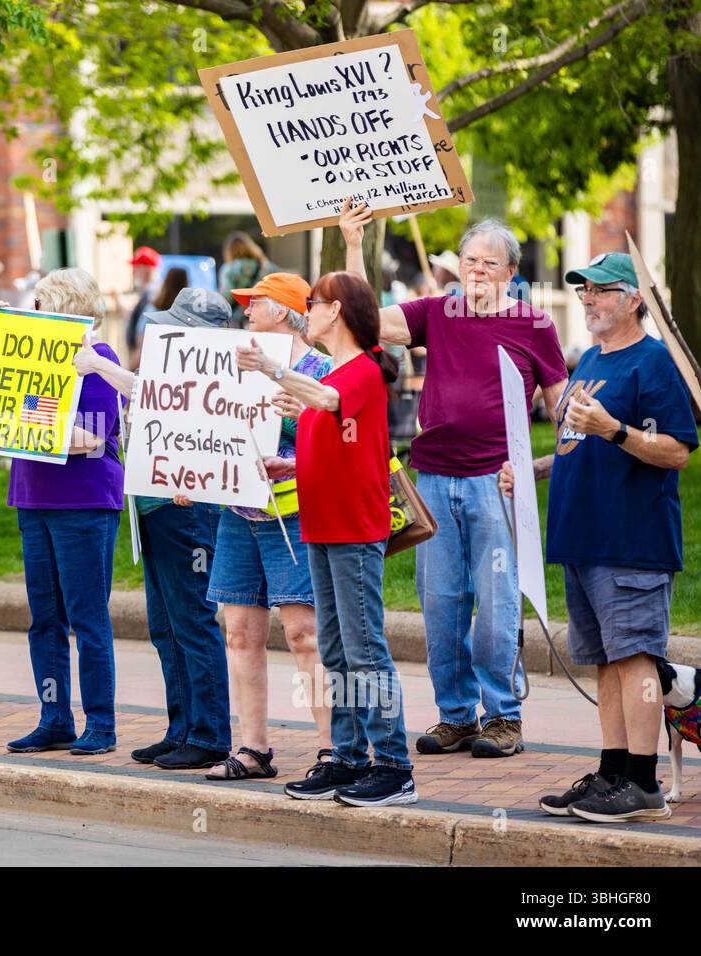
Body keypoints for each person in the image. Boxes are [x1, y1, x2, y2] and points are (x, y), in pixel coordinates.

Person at [341, 199, 568, 759]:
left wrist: (543, 463)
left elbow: (563, 411)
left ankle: (503, 717)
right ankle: (456, 716)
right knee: (441, 604)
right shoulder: (436, 312)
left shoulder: (535, 326)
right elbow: (368, 322)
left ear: (511, 273)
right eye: (470, 261)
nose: (477, 271)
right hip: (435, 480)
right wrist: (352, 243)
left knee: (495, 608)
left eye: (490, 263)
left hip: (496, 482)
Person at [503, 253, 696, 823]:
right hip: (583, 537)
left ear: (634, 298)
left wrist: (613, 428)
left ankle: (642, 783)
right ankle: (613, 773)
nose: (589, 299)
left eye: (602, 290)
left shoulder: (653, 363)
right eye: (583, 290)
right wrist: (531, 468)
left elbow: (676, 451)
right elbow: (576, 444)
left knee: (636, 657)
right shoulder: (590, 360)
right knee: (608, 663)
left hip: (630, 539)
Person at [238, 271, 416, 807]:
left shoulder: (359, 370)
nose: (306, 310)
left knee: (365, 650)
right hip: (321, 525)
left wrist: (272, 368)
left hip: (353, 530)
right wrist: (286, 464)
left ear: (335, 311)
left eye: (312, 303)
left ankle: (393, 765)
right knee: (337, 650)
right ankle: (346, 756)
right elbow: (331, 444)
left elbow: (329, 399)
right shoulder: (332, 378)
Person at [73, 287, 232, 770]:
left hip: (187, 507)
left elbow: (149, 396)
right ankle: (181, 726)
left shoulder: (208, 379)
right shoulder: (166, 372)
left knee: (192, 621)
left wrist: (100, 366)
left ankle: (209, 733)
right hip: (156, 507)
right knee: (165, 626)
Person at [206, 272, 332, 781]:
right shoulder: (234, 366)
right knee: (238, 631)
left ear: (281, 311)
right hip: (239, 514)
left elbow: (342, 437)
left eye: (254, 303)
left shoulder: (320, 368)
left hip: (298, 514)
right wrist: (187, 465)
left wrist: (299, 419)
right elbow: (206, 424)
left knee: (305, 634)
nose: (246, 312)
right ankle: (252, 748)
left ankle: (331, 746)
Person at [4, 268, 125, 757]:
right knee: (44, 618)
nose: (35, 313)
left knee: (87, 616)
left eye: (42, 304)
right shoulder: (27, 362)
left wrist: (13, 426)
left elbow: (92, 438)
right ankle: (54, 717)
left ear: (67, 308)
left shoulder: (98, 360)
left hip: (83, 502)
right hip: (34, 497)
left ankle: (101, 723)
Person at [129, 265, 186, 370]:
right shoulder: (188, 315)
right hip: (180, 365)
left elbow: (141, 340)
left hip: (154, 364)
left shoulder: (153, 310)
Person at [218, 231, 274, 326]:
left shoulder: (229, 269)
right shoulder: (267, 267)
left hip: (236, 320)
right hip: (263, 317)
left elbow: (225, 298)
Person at [124, 246, 160, 360]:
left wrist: (137, 357)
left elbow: (145, 330)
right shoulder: (149, 292)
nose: (133, 270)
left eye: (137, 266)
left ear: (146, 269)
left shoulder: (153, 294)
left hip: (143, 360)